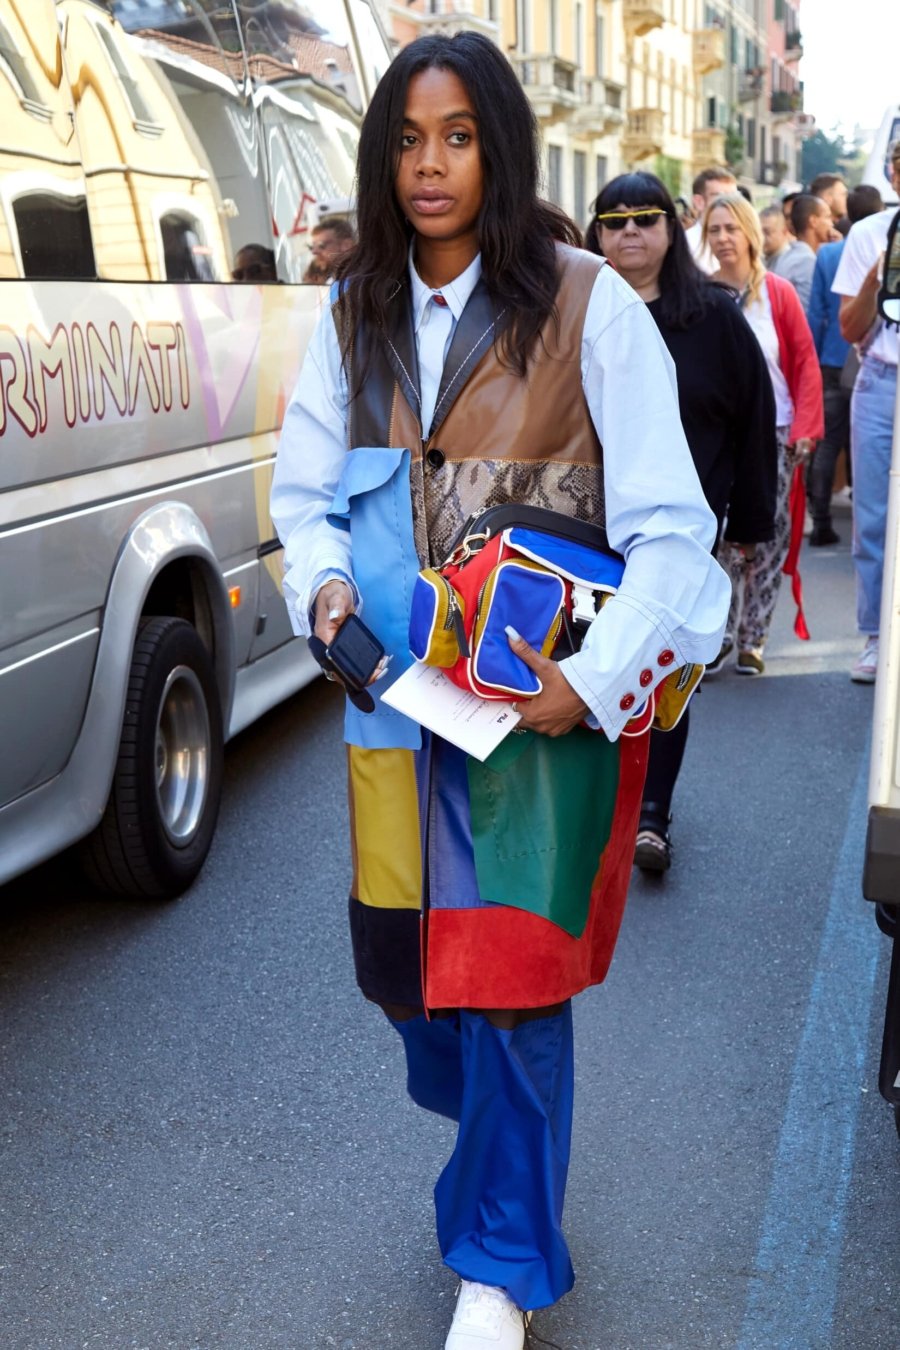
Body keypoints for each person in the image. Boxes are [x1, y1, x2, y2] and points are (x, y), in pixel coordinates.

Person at [271, 31, 729, 1350]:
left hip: (536, 724)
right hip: (391, 712)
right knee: (419, 989)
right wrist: (325, 594)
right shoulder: (351, 308)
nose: (430, 164)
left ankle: (502, 1257)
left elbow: (674, 534)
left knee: (512, 986)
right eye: (409, 138)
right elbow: (304, 503)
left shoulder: (590, 303)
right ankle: (487, 1177)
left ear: (501, 145)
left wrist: (587, 683)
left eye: (459, 135)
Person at [586, 171, 777, 872]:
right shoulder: (575, 310)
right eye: (615, 220)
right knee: (597, 663)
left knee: (667, 670)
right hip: (588, 531)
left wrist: (755, 520)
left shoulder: (717, 318)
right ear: (596, 232)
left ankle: (653, 817)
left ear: (672, 228)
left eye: (646, 218)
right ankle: (599, 806)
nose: (630, 232)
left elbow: (756, 422)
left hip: (687, 531)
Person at [703, 191, 823, 676]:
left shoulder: (778, 292)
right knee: (722, 540)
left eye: (731, 228)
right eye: (714, 229)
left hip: (774, 434)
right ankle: (723, 632)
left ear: (750, 232)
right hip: (720, 438)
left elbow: (804, 363)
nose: (724, 238)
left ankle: (754, 637)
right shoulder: (702, 293)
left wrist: (806, 429)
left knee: (769, 538)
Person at [832, 141, 900, 683]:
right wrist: (880, 272)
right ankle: (879, 636)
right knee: (874, 515)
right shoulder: (868, 234)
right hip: (881, 379)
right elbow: (850, 328)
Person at [806, 184, 884, 546]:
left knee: (829, 442)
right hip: (866, 360)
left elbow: (819, 311)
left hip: (834, 361)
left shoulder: (827, 253)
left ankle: (820, 519)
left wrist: (817, 359)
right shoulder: (874, 244)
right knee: (861, 448)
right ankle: (858, 511)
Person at [768, 194, 833, 310]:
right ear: (813, 221)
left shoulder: (787, 255)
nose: (831, 224)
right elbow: (808, 311)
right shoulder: (806, 260)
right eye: (827, 217)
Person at [685, 165, 737, 273]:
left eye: (734, 198)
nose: (730, 205)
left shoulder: (743, 241)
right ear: (699, 202)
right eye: (720, 198)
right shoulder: (685, 246)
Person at [302, 217, 356, 283]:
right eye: (313, 246)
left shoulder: (357, 279)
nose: (314, 252)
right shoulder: (333, 278)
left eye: (321, 245)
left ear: (346, 245)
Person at [760, 203, 794, 267]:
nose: (762, 237)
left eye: (767, 232)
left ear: (784, 232)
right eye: (759, 232)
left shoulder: (791, 263)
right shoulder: (761, 261)